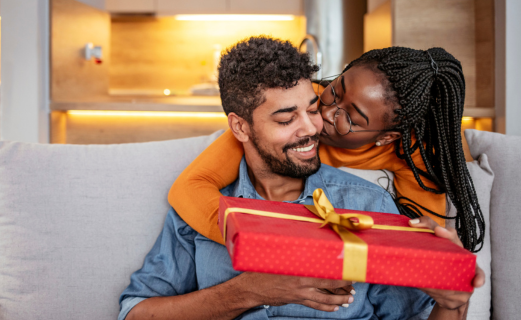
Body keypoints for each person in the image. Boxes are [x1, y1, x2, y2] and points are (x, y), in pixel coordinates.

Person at [119, 36, 483, 320]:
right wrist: (251, 288)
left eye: (311, 108)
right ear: (240, 127)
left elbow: (421, 293)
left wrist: (452, 298)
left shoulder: (371, 200)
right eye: (285, 118)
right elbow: (134, 312)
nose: (316, 124)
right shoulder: (200, 206)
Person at [168, 45, 485, 252]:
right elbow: (189, 188)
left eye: (350, 118)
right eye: (336, 91)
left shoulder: (411, 153)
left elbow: (418, 243)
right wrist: (261, 240)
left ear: (386, 138)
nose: (324, 115)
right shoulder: (300, 105)